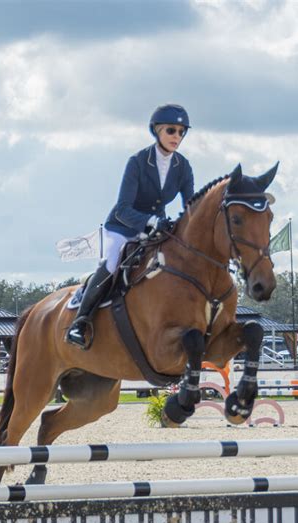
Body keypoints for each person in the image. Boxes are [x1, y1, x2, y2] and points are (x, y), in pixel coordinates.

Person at [66, 104, 195, 347]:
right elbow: (123, 207)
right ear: (157, 131)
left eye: (181, 132)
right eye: (171, 130)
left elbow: (190, 205)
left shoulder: (183, 166)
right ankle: (80, 322)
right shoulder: (137, 162)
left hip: (156, 232)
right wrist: (151, 221)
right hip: (122, 227)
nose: (176, 137)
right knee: (112, 264)